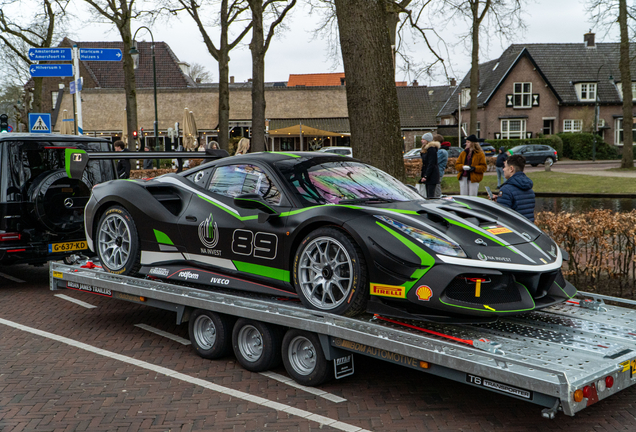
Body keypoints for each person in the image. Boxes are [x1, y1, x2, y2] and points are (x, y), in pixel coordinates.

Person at [493, 154, 536, 221]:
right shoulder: (528, 188)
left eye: (505, 167)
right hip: (528, 229)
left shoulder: (506, 190)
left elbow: (502, 216)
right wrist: (500, 199)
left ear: (511, 169)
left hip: (514, 229)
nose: (503, 169)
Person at [419, 132, 440, 198]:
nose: (422, 141)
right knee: (428, 194)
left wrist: (426, 176)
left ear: (427, 140)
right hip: (428, 175)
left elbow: (431, 164)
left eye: (423, 139)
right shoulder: (425, 149)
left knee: (430, 194)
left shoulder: (431, 149)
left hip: (431, 176)